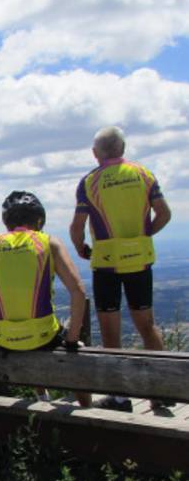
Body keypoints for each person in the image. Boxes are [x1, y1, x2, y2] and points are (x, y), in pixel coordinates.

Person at [0, 190, 90, 407]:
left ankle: (42, 395)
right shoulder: (49, 243)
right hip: (41, 338)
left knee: (24, 327)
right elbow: (78, 292)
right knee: (74, 345)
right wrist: (71, 339)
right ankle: (86, 408)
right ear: (40, 220)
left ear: (6, 223)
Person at [69, 126, 172, 411]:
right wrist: (144, 235)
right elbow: (165, 213)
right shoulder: (143, 174)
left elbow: (77, 227)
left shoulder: (89, 182)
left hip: (106, 264)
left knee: (110, 332)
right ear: (123, 149)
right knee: (147, 327)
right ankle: (161, 391)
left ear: (95, 153)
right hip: (139, 259)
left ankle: (119, 397)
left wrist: (81, 249)